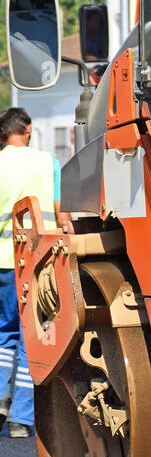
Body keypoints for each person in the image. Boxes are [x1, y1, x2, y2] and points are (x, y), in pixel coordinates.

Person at [0, 108, 59, 438]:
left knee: (3, 334)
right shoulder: (47, 162)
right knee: (29, 338)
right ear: (29, 128)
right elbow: (61, 215)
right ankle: (21, 418)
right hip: (39, 264)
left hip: (3, 264)